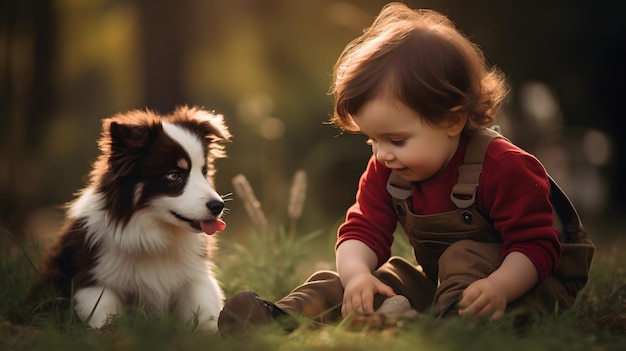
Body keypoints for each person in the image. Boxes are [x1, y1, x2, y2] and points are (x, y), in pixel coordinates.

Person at [218, 2, 594, 335]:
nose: (382, 154)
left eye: (396, 140)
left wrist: (500, 287)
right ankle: (282, 316)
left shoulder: (504, 166)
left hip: (522, 286)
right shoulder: (388, 168)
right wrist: (357, 277)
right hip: (442, 285)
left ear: (452, 120)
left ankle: (446, 327)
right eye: (372, 140)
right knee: (379, 278)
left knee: (462, 254)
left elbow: (536, 245)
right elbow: (361, 230)